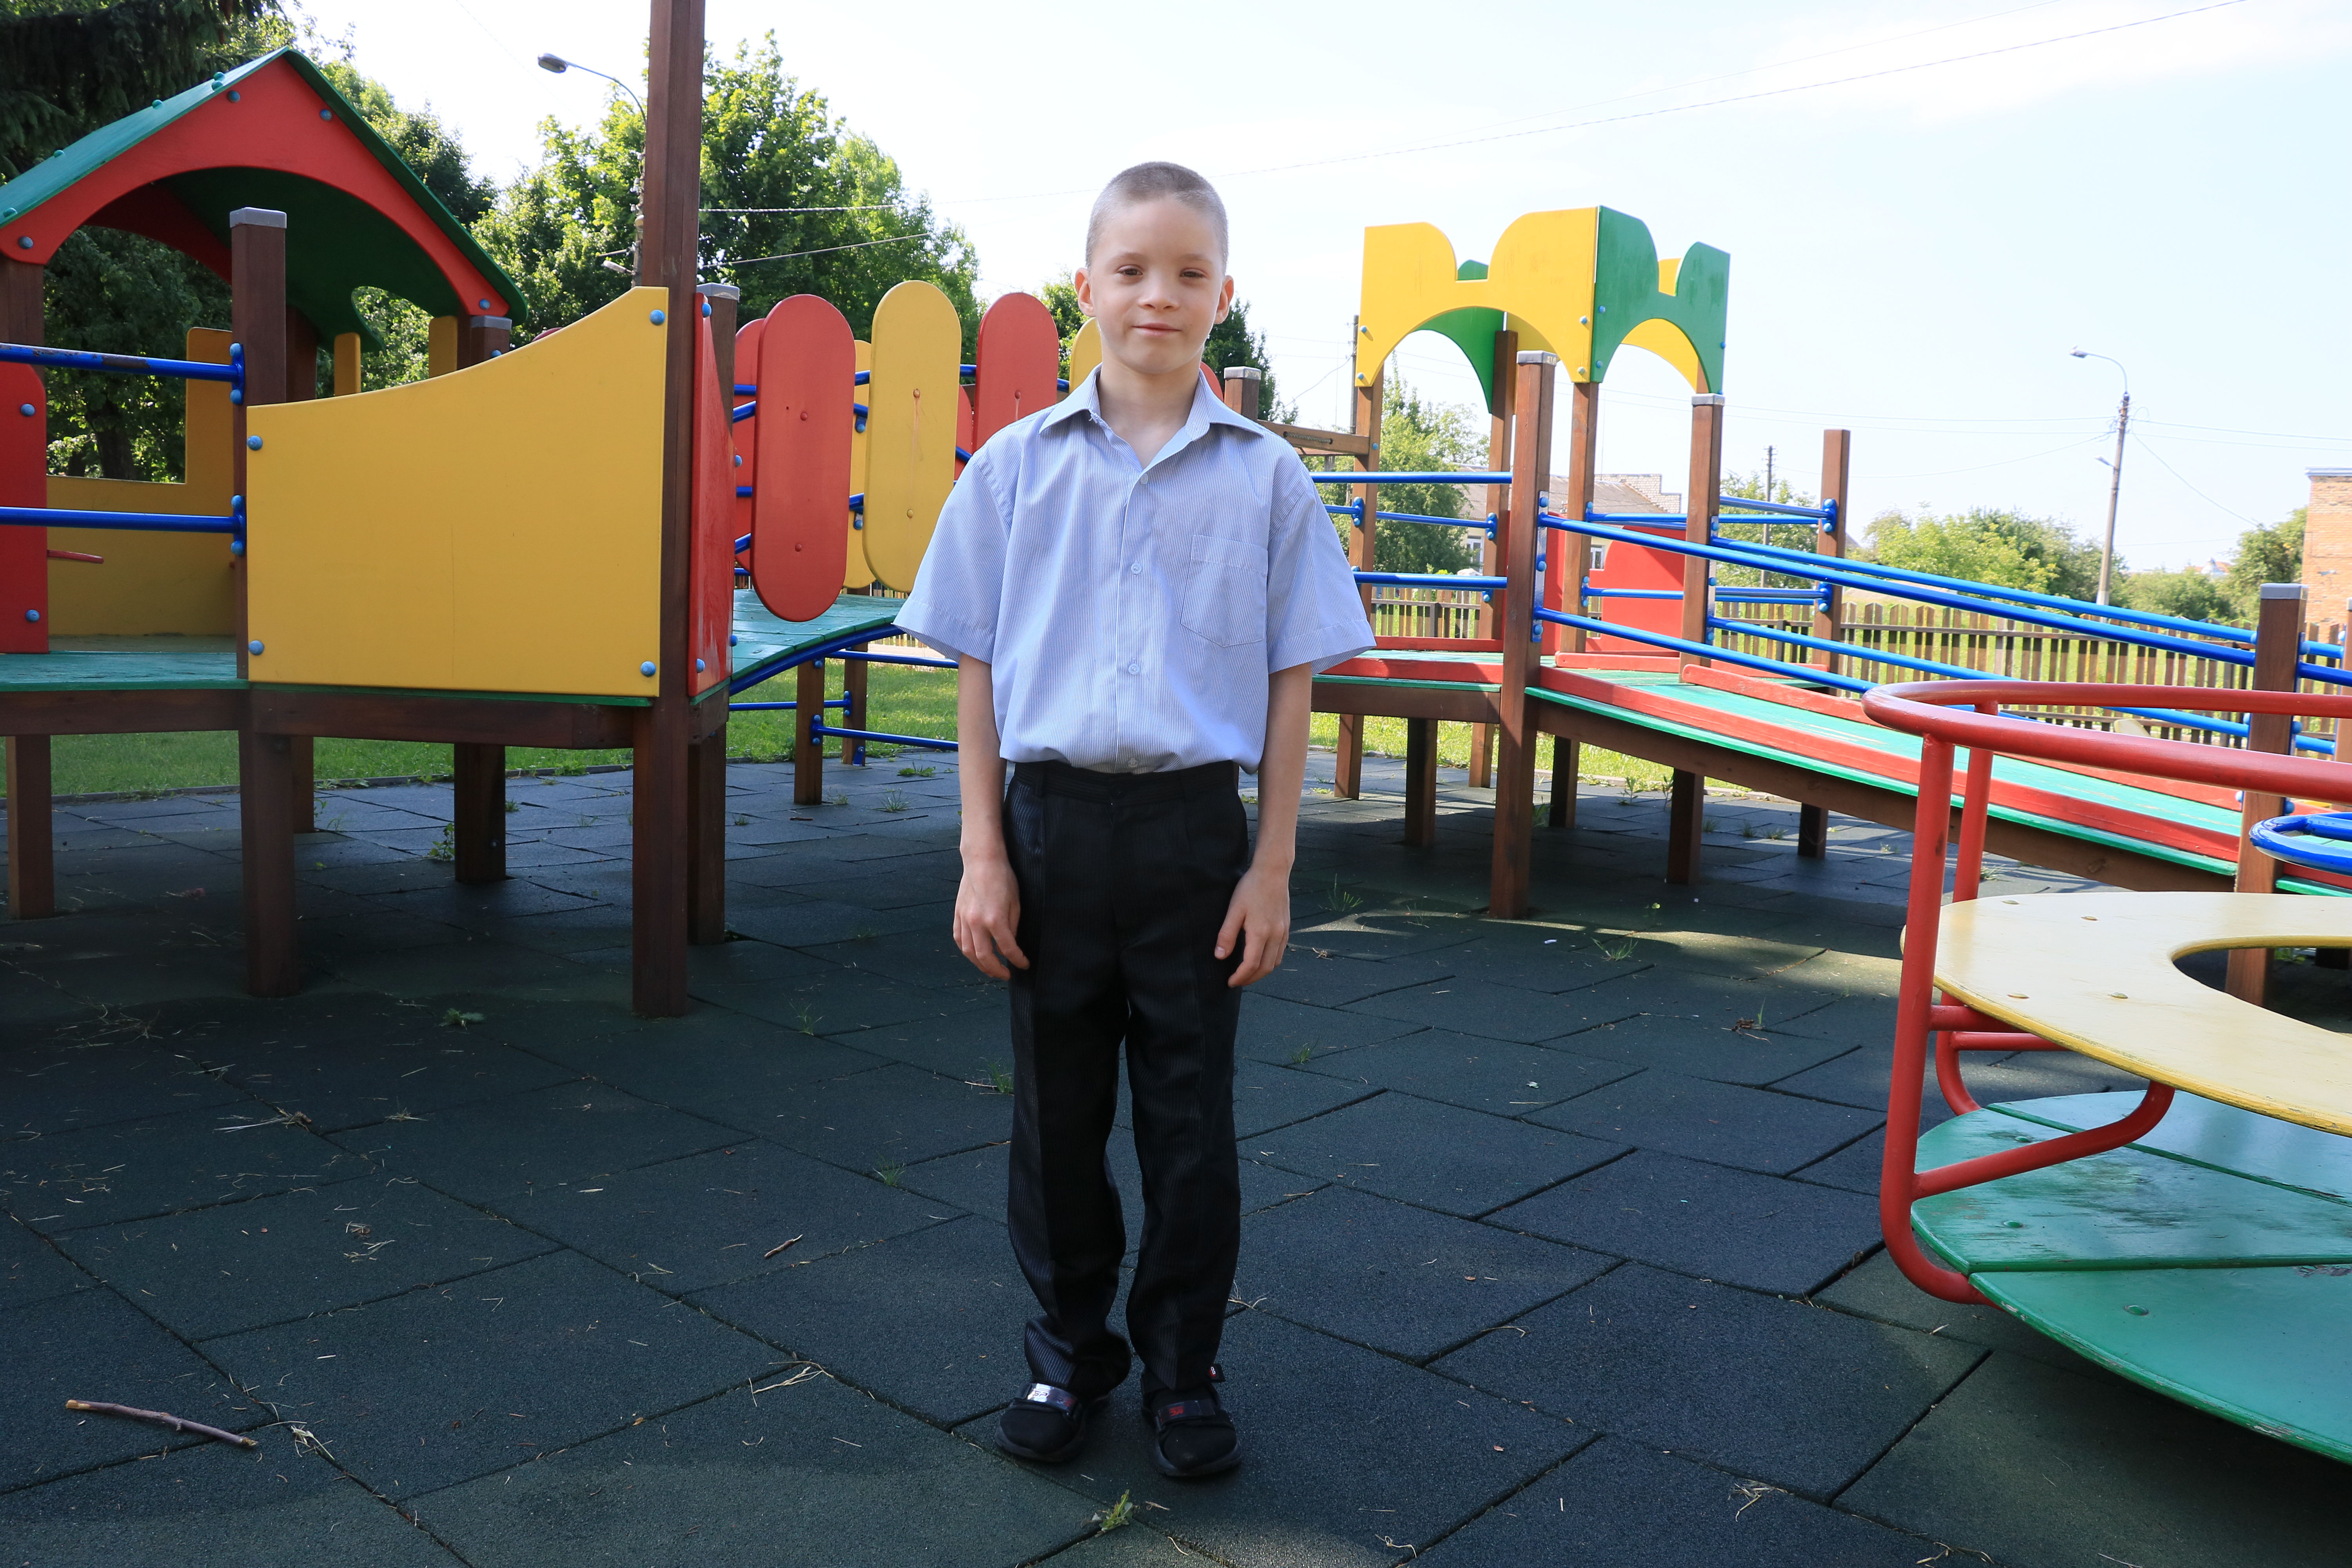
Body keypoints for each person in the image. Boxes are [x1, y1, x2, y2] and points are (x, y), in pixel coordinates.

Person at [894, 162, 1373, 1479]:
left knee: (1188, 1122)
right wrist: (982, 853)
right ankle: (1068, 1357)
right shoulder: (1014, 469)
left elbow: (1292, 682)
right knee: (1055, 1122)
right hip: (1048, 831)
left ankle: (1182, 1370)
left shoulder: (1267, 479)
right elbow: (977, 667)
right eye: (1131, 269)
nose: (1158, 294)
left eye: (1187, 273)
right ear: (1086, 288)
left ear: (1224, 294)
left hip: (1193, 839)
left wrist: (1272, 867)